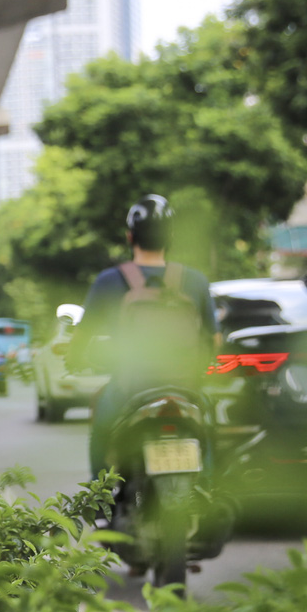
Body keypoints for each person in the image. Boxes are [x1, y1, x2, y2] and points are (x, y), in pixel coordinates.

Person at [69, 194, 215, 479]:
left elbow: (83, 337)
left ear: (130, 236)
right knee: (205, 432)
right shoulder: (195, 281)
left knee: (101, 429)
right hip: (186, 387)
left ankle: (100, 501)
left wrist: (75, 359)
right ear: (169, 238)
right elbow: (215, 342)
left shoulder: (109, 281)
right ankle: (208, 492)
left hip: (129, 389)